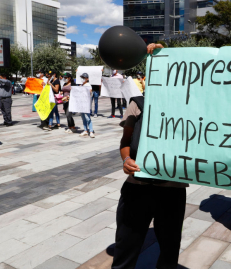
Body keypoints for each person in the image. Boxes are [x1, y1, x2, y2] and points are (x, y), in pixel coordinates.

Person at [112, 42, 187, 269]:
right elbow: (125, 141)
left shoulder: (190, 108)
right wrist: (126, 160)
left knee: (169, 250)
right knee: (126, 247)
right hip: (138, 187)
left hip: (172, 192)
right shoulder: (138, 104)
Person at [79, 73, 95, 138]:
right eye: (82, 77)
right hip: (81, 103)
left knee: (87, 118)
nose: (82, 79)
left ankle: (91, 131)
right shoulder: (81, 85)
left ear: (87, 79)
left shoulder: (88, 85)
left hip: (86, 104)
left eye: (84, 78)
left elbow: (90, 93)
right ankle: (85, 130)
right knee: (83, 117)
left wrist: (90, 92)